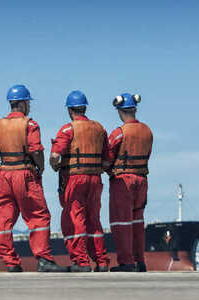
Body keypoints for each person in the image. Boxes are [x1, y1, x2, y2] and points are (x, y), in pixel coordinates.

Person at [0, 84, 67, 272]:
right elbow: (36, 150)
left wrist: (0, 169)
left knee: (5, 219)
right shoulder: (30, 124)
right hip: (25, 174)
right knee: (39, 215)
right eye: (28, 102)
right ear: (23, 103)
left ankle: (11, 262)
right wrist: (41, 168)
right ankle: (44, 259)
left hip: (5, 176)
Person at [50, 90, 111, 272]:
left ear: (70, 110)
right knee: (94, 220)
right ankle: (101, 261)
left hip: (75, 179)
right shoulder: (99, 128)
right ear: (84, 108)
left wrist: (55, 166)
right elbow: (107, 161)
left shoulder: (68, 129)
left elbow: (54, 156)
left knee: (75, 218)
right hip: (95, 179)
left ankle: (81, 261)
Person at [107, 93, 153, 272]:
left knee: (121, 222)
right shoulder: (147, 131)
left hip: (123, 182)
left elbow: (108, 156)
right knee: (137, 222)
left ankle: (126, 262)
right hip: (142, 180)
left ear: (120, 111)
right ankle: (140, 261)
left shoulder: (119, 133)